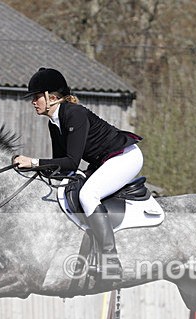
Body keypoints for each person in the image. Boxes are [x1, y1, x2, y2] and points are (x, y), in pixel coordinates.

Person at [13, 67, 143, 279]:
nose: (33, 102)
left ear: (52, 97)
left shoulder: (74, 113)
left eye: (36, 97)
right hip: (104, 162)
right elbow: (63, 168)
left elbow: (72, 160)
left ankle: (111, 262)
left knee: (87, 195)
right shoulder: (54, 123)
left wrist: (33, 162)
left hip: (125, 157)